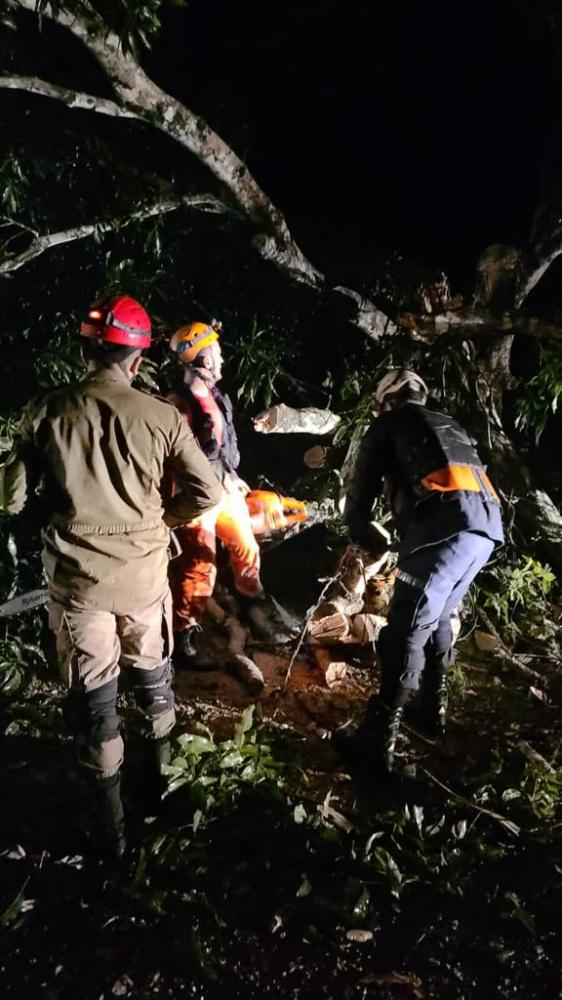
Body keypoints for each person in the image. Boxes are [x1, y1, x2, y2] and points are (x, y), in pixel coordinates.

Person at [0, 295, 222, 859]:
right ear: (138, 359)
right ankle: (166, 794)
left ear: (86, 351)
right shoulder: (161, 416)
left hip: (79, 585)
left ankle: (112, 835)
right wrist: (160, 521)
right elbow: (208, 491)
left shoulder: (45, 411)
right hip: (145, 579)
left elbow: (10, 499)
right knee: (154, 682)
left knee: (97, 706)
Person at [343, 368, 503, 775]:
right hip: (486, 529)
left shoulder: (388, 424)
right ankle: (434, 710)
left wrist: (365, 534)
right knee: (441, 616)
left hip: (441, 529)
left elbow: (359, 495)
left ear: (386, 401)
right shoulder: (448, 423)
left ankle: (378, 745)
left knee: (406, 629)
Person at [167, 320, 289, 665]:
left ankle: (254, 611)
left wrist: (232, 478)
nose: (221, 359)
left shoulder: (217, 398)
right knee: (199, 566)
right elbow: (177, 457)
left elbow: (220, 449)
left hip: (223, 488)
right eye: (217, 353)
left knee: (247, 548)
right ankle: (183, 635)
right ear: (204, 359)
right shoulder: (178, 403)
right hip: (196, 496)